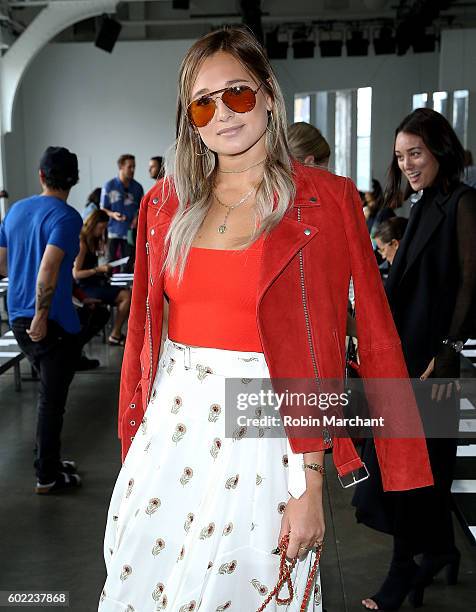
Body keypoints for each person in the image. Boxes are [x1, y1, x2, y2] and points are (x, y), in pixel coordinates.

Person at [98, 27, 433, 612]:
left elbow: (361, 338)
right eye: (203, 102)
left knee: (249, 593)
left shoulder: (325, 200)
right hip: (170, 435)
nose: (222, 113)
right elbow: (144, 346)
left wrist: (310, 482)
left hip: (265, 434)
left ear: (270, 95)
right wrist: (134, 443)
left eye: (238, 94)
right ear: (191, 119)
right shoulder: (163, 204)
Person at [355, 108, 476, 611]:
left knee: (416, 471)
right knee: (405, 466)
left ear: (439, 150)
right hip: (407, 358)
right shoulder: (425, 203)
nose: (406, 163)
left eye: (415, 153)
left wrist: (449, 351)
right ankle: (440, 549)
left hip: (434, 362)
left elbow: (473, 281)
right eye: (400, 156)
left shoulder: (464, 203)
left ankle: (408, 567)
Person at [0, 146, 83, 494]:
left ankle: (48, 461)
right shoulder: (66, 217)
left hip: (17, 316)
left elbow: (2, 264)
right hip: (49, 322)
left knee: (48, 398)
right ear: (74, 179)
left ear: (40, 175)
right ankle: (47, 475)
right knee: (51, 401)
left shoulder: (16, 210)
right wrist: (43, 314)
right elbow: (48, 268)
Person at [73, 209, 131, 346]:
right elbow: (76, 273)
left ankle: (116, 333)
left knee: (127, 293)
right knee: (126, 296)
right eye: (101, 228)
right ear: (93, 224)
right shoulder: (82, 243)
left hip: (94, 282)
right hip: (84, 286)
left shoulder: (92, 240)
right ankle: (115, 334)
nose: (102, 231)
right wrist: (97, 269)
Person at [101, 154, 144, 265]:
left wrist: (136, 218)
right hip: (113, 232)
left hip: (131, 233)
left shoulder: (138, 188)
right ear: (121, 167)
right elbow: (102, 209)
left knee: (129, 264)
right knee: (110, 264)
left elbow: (142, 208)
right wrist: (113, 214)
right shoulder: (109, 186)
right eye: (129, 167)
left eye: (134, 167)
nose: (133, 170)